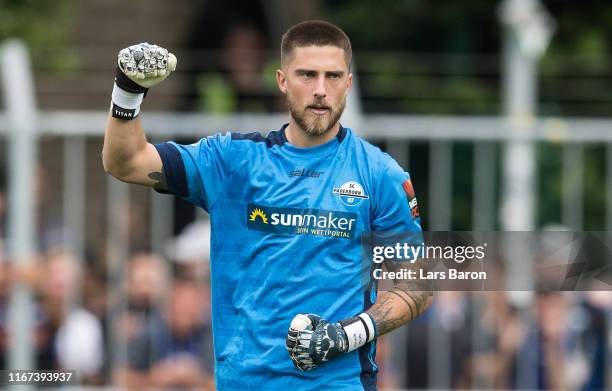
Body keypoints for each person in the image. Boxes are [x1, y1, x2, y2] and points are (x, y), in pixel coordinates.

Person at [103, 20, 432, 390]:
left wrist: (348, 334)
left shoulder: (380, 174)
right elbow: (126, 162)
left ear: (349, 84)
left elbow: (418, 284)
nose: (321, 90)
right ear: (281, 80)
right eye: (307, 75)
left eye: (333, 76)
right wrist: (128, 92)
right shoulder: (231, 160)